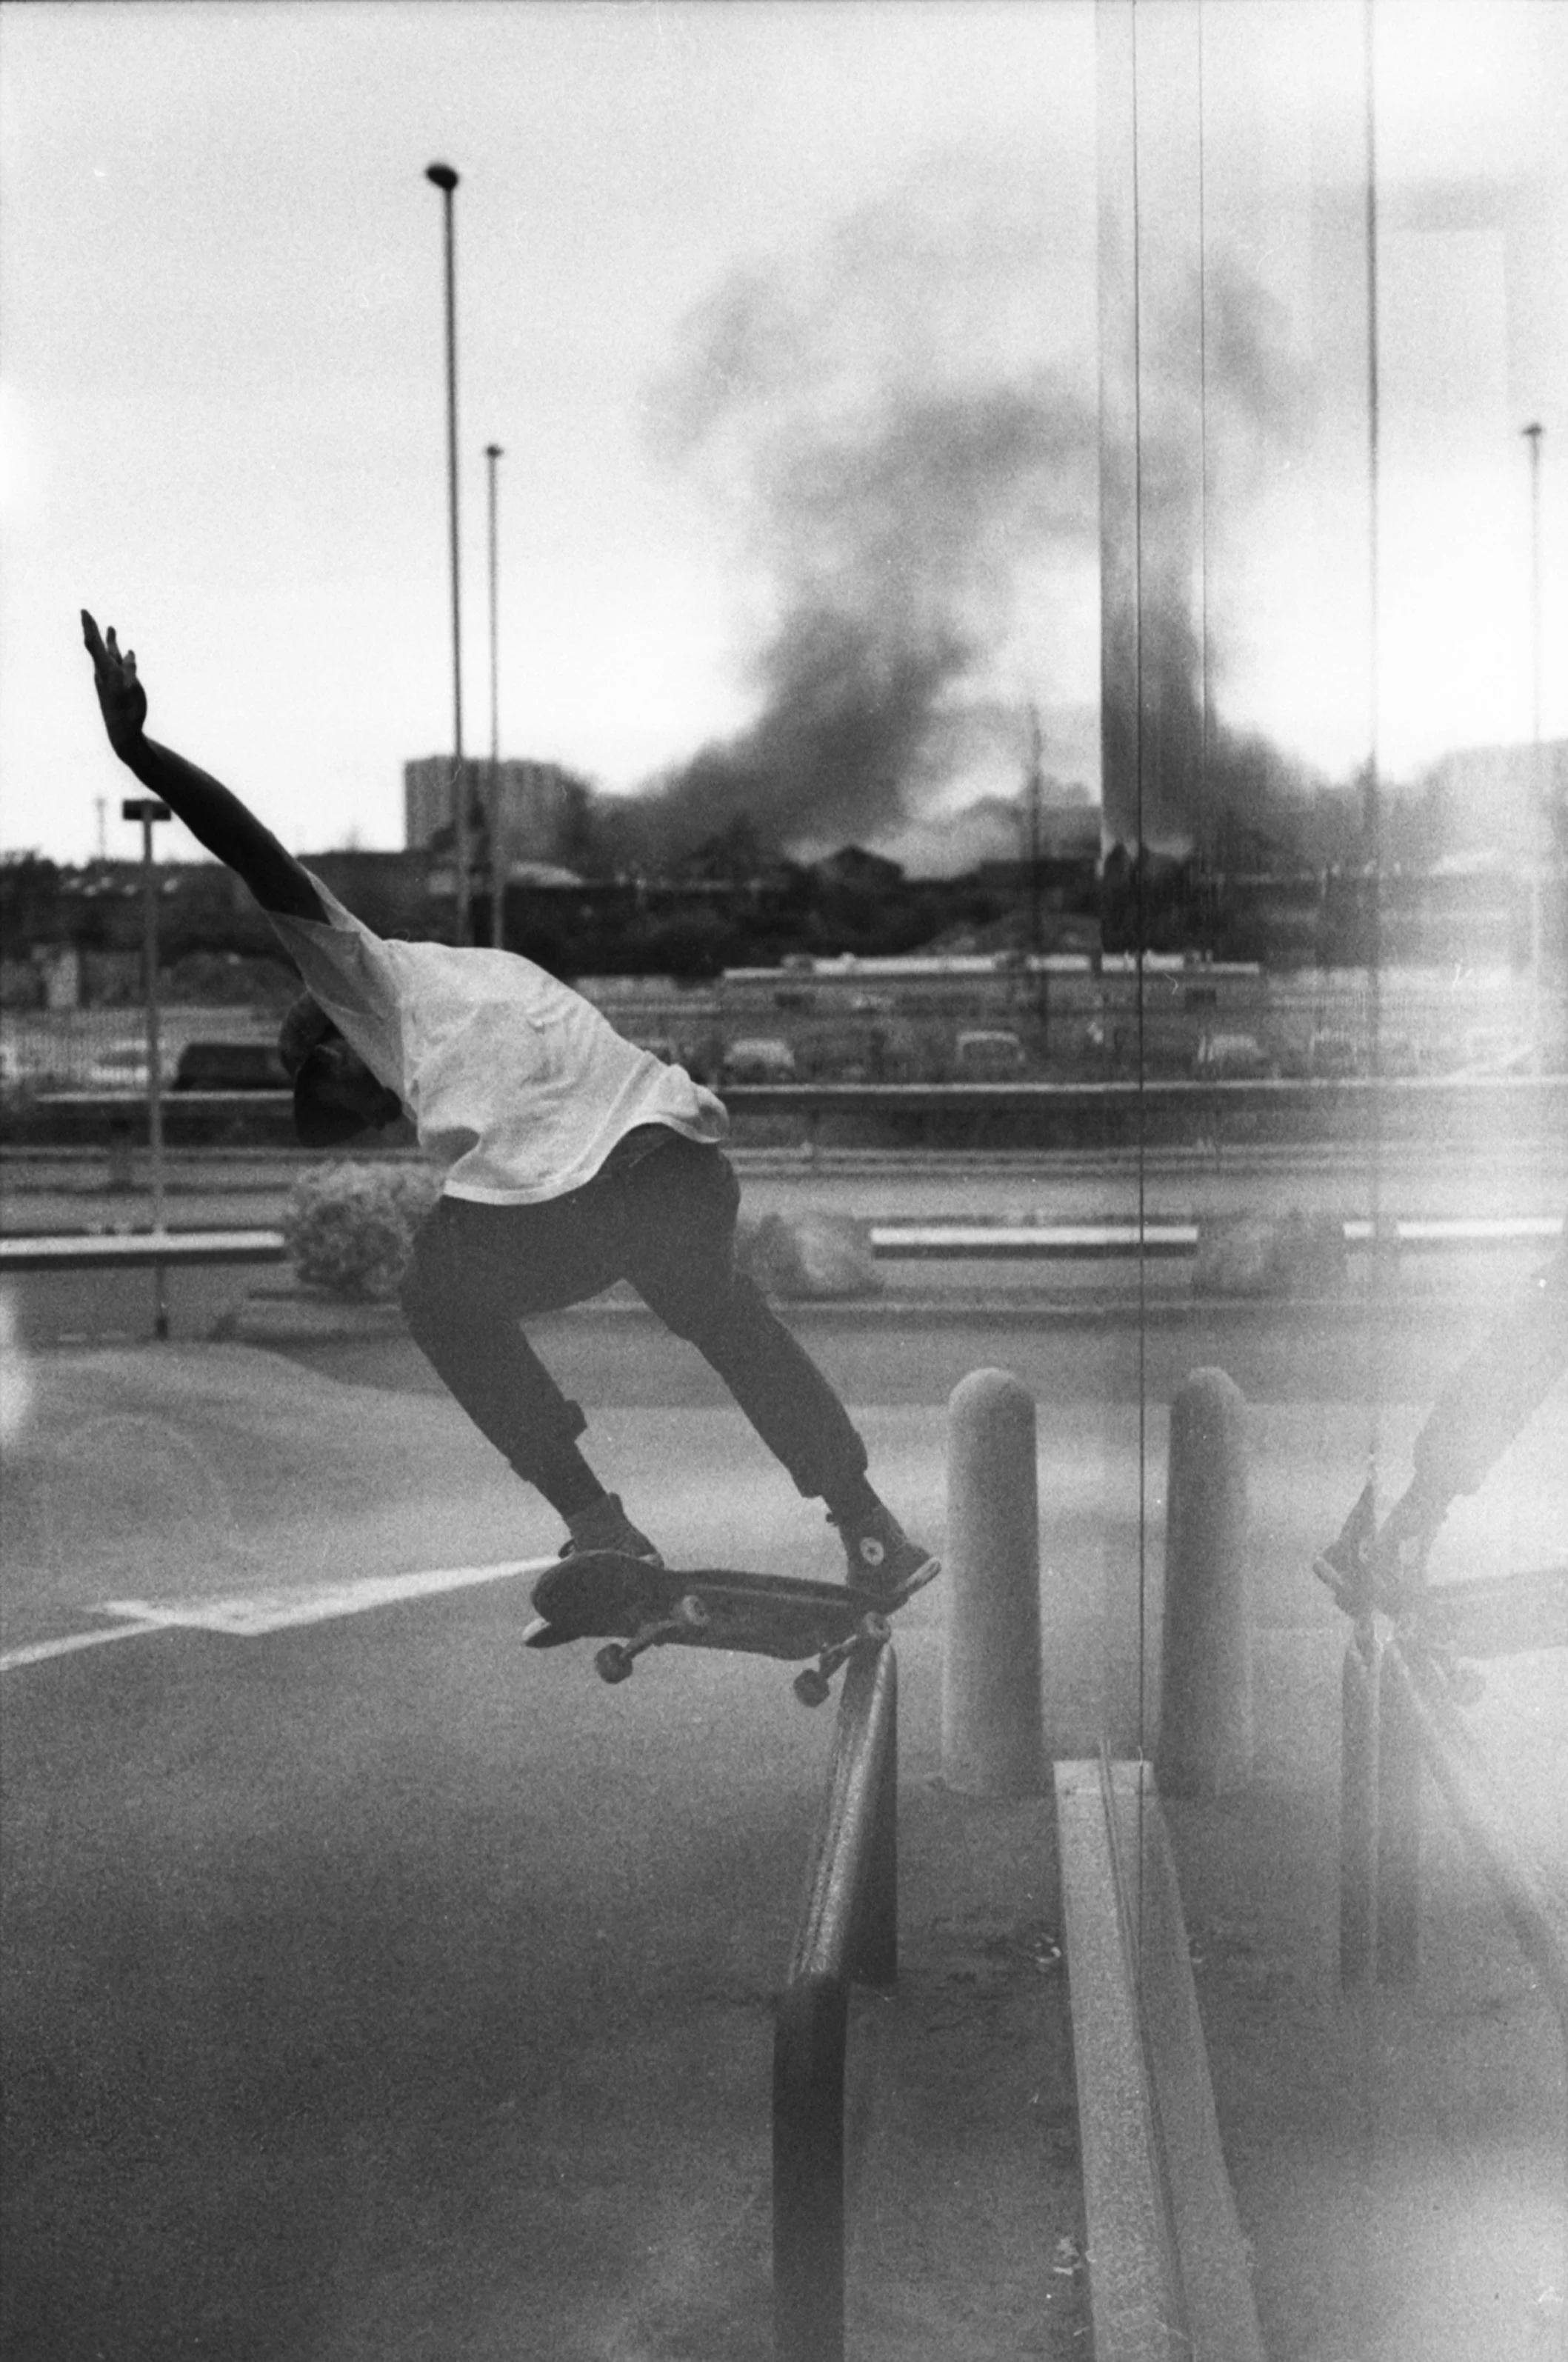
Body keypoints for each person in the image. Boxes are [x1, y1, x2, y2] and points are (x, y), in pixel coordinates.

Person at [81, 611, 937, 1594]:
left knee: (434, 1297)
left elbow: (256, 854)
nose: (382, 1110)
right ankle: (873, 1531)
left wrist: (142, 752)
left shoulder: (363, 980)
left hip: (567, 1201)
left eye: (357, 1093)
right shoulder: (488, 966)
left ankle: (598, 1521)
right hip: (679, 1165)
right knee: (729, 1323)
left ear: (332, 1040)